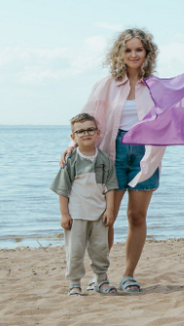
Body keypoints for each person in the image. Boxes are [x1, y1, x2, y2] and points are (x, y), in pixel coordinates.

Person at [58, 28, 166, 293]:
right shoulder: (106, 84)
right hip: (113, 153)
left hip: (145, 154)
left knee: (137, 216)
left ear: (147, 53)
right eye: (128, 50)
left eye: (138, 49)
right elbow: (88, 117)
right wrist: (72, 145)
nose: (133, 54)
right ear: (120, 53)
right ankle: (101, 275)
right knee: (107, 216)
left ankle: (129, 275)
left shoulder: (155, 86)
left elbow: (171, 118)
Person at [51, 113, 119, 296]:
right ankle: (74, 283)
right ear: (73, 137)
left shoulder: (104, 160)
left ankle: (101, 280)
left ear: (98, 133)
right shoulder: (71, 161)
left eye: (90, 129)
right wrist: (64, 214)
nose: (86, 134)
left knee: (100, 250)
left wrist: (110, 210)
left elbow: (110, 187)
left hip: (99, 215)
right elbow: (62, 190)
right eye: (80, 131)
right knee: (75, 251)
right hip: (77, 216)